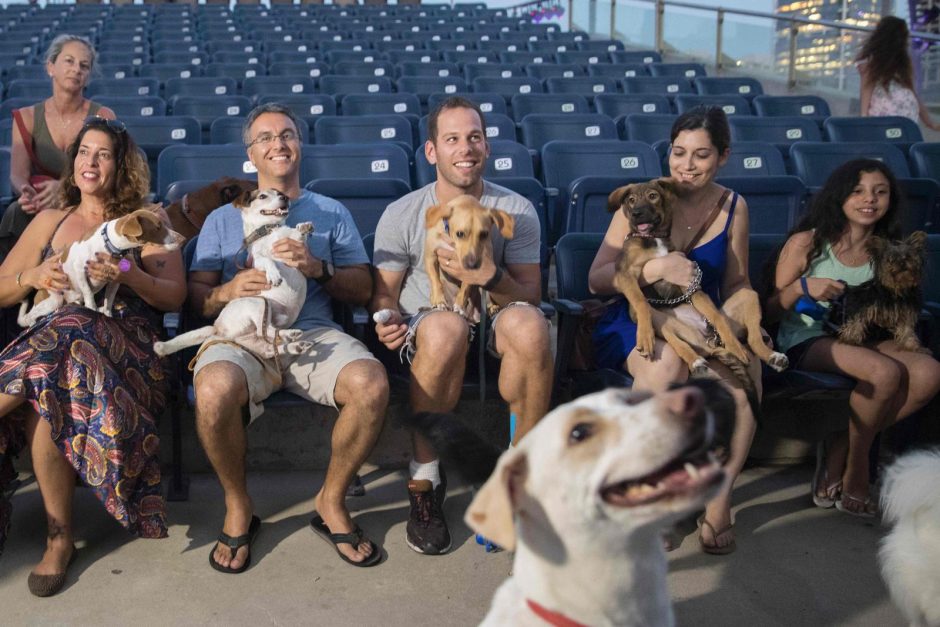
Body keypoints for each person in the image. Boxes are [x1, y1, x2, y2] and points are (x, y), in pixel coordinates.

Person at [189, 103, 388, 572]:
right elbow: (195, 298)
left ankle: (331, 500)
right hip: (241, 339)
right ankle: (238, 505)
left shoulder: (329, 212)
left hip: (311, 334)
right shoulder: (223, 218)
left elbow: (363, 288)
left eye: (287, 134)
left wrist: (318, 268)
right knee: (214, 389)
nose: (278, 143)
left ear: (300, 146)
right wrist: (225, 290)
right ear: (250, 156)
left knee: (371, 383)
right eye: (265, 138)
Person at [0, 117, 186, 596]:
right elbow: (2, 287)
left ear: (120, 165)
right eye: (84, 151)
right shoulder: (49, 221)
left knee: (70, 327)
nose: (91, 162)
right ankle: (59, 538)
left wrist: (126, 271)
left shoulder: (146, 220)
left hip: (130, 351)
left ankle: (60, 540)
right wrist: (34, 277)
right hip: (55, 357)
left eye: (103, 154)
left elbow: (174, 296)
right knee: (47, 391)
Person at [372, 96, 553, 556]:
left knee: (533, 328)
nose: (465, 148)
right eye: (452, 139)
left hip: (497, 313)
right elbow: (383, 293)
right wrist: (386, 320)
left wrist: (492, 277)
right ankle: (426, 477)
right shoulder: (403, 213)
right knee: (445, 329)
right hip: (429, 320)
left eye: (475, 137)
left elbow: (531, 292)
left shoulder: (516, 209)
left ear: (487, 147)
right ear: (432, 151)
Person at [588, 107, 758, 555]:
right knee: (664, 370)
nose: (687, 164)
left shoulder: (734, 208)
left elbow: (737, 283)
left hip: (699, 318)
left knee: (744, 384)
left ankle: (719, 499)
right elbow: (598, 277)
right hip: (636, 317)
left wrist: (743, 327)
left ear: (723, 156)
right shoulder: (644, 201)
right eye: (679, 152)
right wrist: (654, 268)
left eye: (701, 155)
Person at [765, 159, 940, 517]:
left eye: (880, 192)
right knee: (884, 373)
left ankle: (841, 443)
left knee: (928, 373)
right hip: (806, 336)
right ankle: (857, 469)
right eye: (858, 190)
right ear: (839, 195)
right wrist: (802, 287)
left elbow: (898, 306)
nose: (869, 199)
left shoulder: (889, 250)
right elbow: (768, 312)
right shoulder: (808, 242)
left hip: (867, 334)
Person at [1, 34, 116, 258]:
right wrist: (26, 193)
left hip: (88, 200)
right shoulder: (26, 117)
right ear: (50, 67)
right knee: (16, 210)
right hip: (41, 201)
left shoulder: (103, 116)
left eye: (84, 65)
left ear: (88, 76)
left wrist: (64, 188)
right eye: (69, 61)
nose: (76, 69)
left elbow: (109, 173)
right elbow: (18, 175)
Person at [856, 16, 940, 130]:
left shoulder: (869, 60)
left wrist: (863, 118)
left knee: (884, 142)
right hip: (908, 109)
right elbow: (912, 92)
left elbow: (866, 88)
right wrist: (929, 122)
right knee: (904, 140)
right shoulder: (904, 61)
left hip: (883, 110)